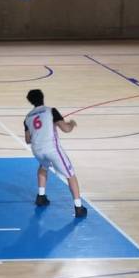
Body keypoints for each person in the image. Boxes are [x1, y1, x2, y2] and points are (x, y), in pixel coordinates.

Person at [24, 89, 87, 218]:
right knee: (70, 175)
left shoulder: (28, 117)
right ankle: (78, 207)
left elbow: (28, 140)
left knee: (43, 167)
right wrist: (71, 124)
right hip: (52, 149)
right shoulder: (50, 111)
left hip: (37, 150)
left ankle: (41, 197)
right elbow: (66, 129)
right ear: (42, 97)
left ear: (30, 101)